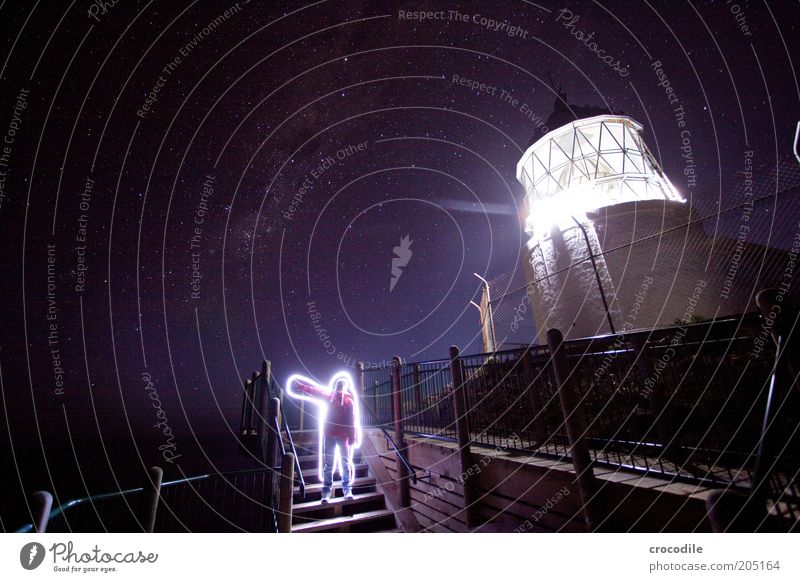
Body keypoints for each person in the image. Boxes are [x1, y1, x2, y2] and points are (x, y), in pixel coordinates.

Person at [287, 374, 360, 503]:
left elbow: (351, 421)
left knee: (332, 465)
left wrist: (301, 386)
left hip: (335, 436)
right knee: (341, 464)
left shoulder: (343, 400)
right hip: (337, 436)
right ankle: (341, 491)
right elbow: (351, 421)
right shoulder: (341, 399)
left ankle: (331, 492)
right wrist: (352, 437)